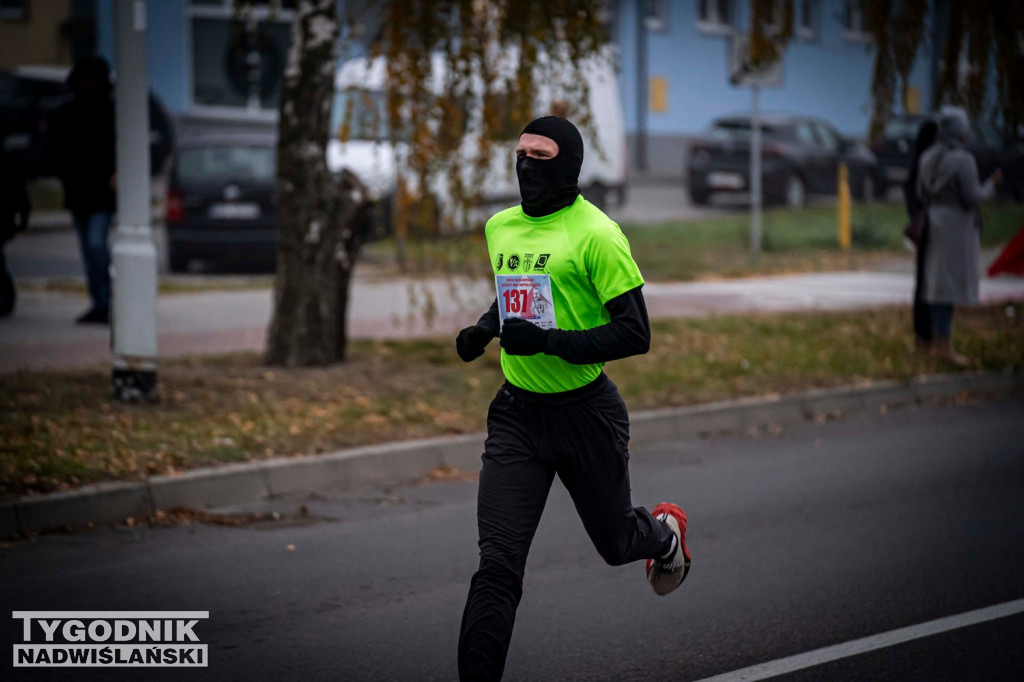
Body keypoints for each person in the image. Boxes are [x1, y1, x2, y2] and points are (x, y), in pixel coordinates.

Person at [455, 116, 691, 681]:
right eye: (520, 154)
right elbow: (524, 295)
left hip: (586, 415)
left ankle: (665, 535)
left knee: (616, 542)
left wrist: (552, 344)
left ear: (567, 165)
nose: (525, 165)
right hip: (517, 415)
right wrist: (486, 327)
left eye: (540, 155)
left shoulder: (597, 234)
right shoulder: (501, 228)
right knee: (498, 566)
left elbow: (636, 334)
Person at [916, 108, 1002, 365]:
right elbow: (972, 197)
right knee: (950, 287)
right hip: (957, 228)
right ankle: (944, 344)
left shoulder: (928, 157)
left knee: (936, 284)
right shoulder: (963, 160)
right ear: (960, 132)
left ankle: (935, 341)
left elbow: (922, 192)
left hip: (934, 223)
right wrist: (991, 185)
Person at [47, 56, 117, 325]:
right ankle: (99, 302)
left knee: (96, 244)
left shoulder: (110, 111)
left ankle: (108, 298)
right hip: (78, 191)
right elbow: (54, 150)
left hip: (101, 193)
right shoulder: (67, 113)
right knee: (89, 251)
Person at [903, 118, 938, 351]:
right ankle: (930, 334)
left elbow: (908, 190)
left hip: (924, 227)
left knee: (923, 280)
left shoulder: (918, 162)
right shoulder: (930, 163)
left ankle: (923, 334)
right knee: (930, 280)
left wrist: (915, 217)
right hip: (933, 228)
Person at [0, 140, 32, 317]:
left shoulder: (8, 163)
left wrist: (24, 216)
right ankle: (7, 296)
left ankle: (7, 296)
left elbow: (19, 192)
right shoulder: (9, 162)